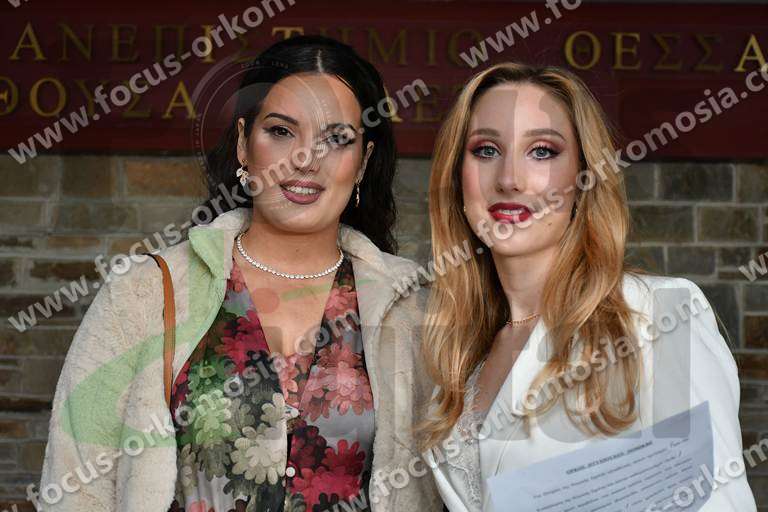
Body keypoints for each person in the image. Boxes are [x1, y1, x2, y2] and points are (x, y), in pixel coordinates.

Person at [39, 35, 442, 512]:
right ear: (243, 145)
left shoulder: (413, 306)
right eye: (281, 131)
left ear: (363, 163)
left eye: (336, 139)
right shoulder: (144, 294)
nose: (305, 160)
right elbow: (75, 488)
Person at [418, 62, 756, 512]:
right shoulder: (461, 352)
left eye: (542, 151)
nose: (509, 179)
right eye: (486, 150)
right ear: (456, 174)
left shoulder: (658, 312)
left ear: (584, 176)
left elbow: (717, 501)